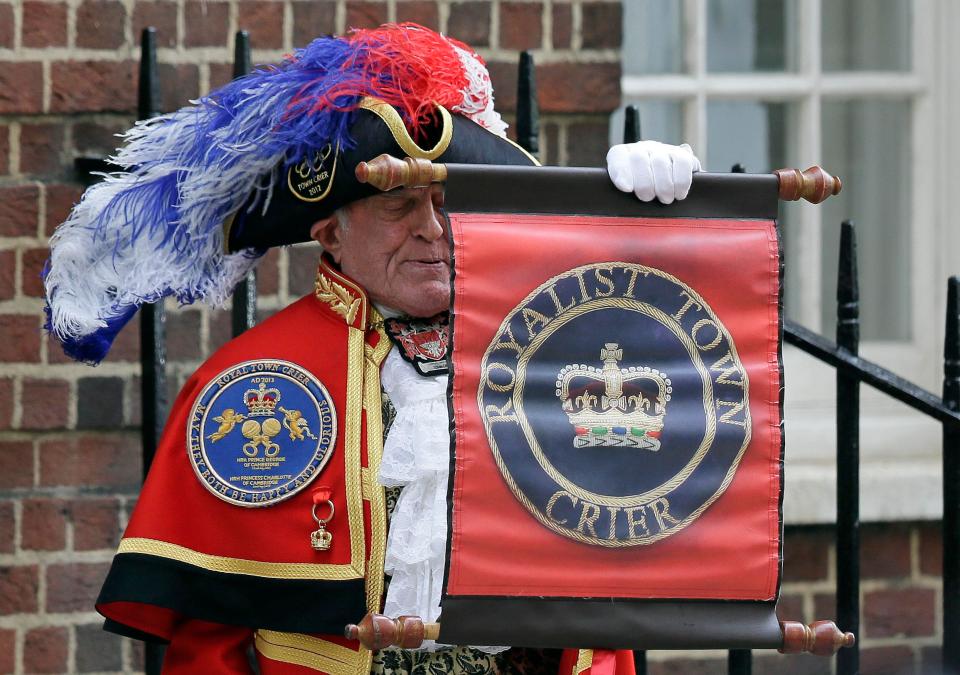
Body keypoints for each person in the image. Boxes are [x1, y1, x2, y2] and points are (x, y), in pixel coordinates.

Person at [44, 23, 700, 674]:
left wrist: (652, 231)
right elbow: (206, 646)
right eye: (399, 204)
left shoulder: (555, 350)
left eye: (448, 200)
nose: (431, 229)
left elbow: (618, 576)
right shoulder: (248, 379)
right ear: (330, 232)